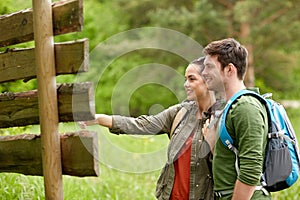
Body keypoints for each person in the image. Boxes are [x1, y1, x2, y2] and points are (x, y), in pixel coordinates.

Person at [79, 57, 224, 200]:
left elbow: (230, 169)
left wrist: (212, 146)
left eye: (192, 79)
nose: (186, 84)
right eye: (185, 79)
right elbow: (143, 124)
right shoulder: (180, 112)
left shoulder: (225, 117)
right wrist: (100, 118)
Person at [202, 38, 271, 200]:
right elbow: (233, 160)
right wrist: (214, 145)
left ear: (229, 70)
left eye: (209, 67)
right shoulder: (230, 106)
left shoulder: (246, 108)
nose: (204, 72)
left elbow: (250, 171)